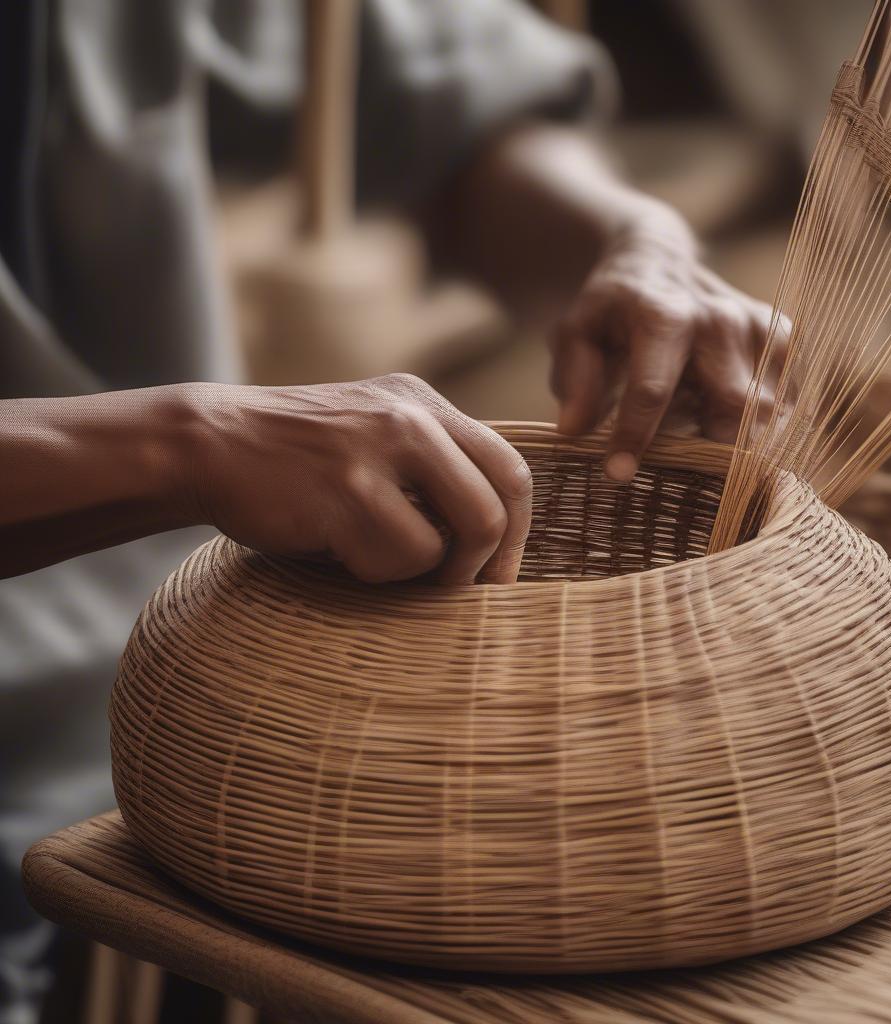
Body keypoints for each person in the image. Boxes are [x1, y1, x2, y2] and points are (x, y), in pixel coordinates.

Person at [0, 1, 777, 1019]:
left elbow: (453, 118)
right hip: (100, 757)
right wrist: (182, 442)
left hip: (174, 722)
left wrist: (633, 242)